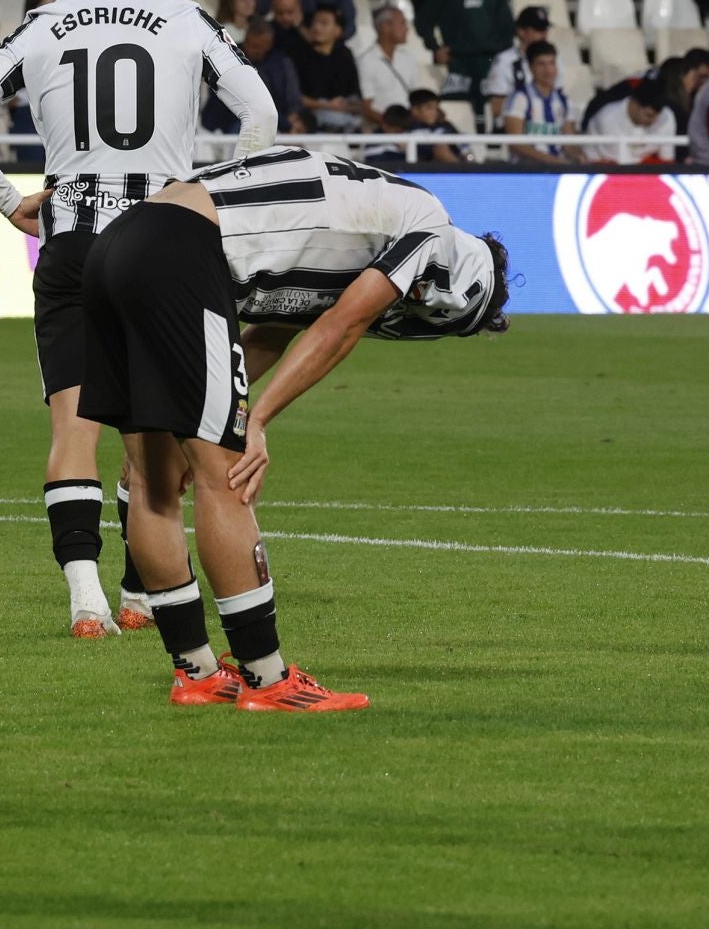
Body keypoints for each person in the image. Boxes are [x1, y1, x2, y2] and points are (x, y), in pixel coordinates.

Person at [0, 0, 278, 639]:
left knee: (73, 427)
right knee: (157, 438)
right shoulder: (186, 17)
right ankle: (141, 594)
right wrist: (220, 201)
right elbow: (262, 112)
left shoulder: (43, 24)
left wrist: (5, 199)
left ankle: (88, 599)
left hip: (73, 233)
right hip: (161, 237)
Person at [82, 147, 509, 711]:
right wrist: (251, 420)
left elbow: (269, 333)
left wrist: (216, 408)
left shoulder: (362, 221)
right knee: (224, 477)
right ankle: (267, 679)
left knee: (152, 482)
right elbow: (343, 322)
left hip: (119, 243)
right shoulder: (432, 228)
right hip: (185, 251)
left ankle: (198, 674)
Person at [417, 0, 513, 111]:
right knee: (456, 110)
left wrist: (500, 56)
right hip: (458, 62)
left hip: (489, 62)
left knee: (493, 111)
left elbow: (507, 28)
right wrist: (435, 47)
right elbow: (423, 20)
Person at [204, 21, 304, 136]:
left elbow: (293, 102)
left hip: (276, 123)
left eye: (257, 46)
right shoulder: (229, 55)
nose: (250, 49)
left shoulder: (281, 64)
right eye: (248, 43)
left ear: (269, 44)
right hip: (229, 121)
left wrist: (291, 119)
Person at [482, 6, 562, 125]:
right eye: (537, 29)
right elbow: (496, 107)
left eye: (545, 29)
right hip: (516, 127)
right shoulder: (504, 61)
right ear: (521, 31)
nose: (544, 34)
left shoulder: (555, 60)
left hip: (549, 125)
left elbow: (557, 97)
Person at [500, 41, 577, 163]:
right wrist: (553, 161)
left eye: (551, 63)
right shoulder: (519, 98)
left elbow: (569, 142)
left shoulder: (564, 101)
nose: (548, 70)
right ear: (531, 67)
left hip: (558, 169)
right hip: (526, 170)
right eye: (541, 64)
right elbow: (516, 143)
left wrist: (580, 157)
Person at [291, 5, 364, 133]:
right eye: (314, 22)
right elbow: (295, 97)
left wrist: (346, 106)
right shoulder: (300, 56)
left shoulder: (345, 55)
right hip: (312, 121)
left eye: (324, 23)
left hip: (346, 119)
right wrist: (327, 105)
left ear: (338, 30)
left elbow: (357, 97)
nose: (317, 27)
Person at [582, 79, 677, 164]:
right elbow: (623, 167)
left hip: (643, 167)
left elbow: (666, 160)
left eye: (657, 117)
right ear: (634, 105)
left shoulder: (666, 117)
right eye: (649, 115)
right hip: (602, 165)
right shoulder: (607, 118)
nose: (654, 121)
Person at [357, 5, 422, 122]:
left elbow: (415, 98)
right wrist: (392, 126)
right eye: (402, 23)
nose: (407, 29)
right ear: (385, 27)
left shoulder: (409, 59)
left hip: (408, 126)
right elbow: (367, 107)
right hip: (382, 128)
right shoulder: (366, 61)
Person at [405, 89, 471, 163]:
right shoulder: (407, 127)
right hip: (425, 169)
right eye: (429, 108)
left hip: (454, 168)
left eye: (436, 108)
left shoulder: (446, 126)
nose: (434, 112)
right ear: (415, 110)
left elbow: (463, 149)